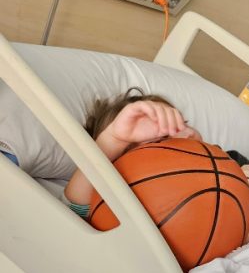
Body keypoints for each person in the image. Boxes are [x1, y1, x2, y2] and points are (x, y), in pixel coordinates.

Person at [65, 90, 201, 216]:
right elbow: (77, 206)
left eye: (184, 123)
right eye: (164, 139)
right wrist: (113, 140)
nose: (188, 133)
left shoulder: (218, 160)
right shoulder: (138, 199)